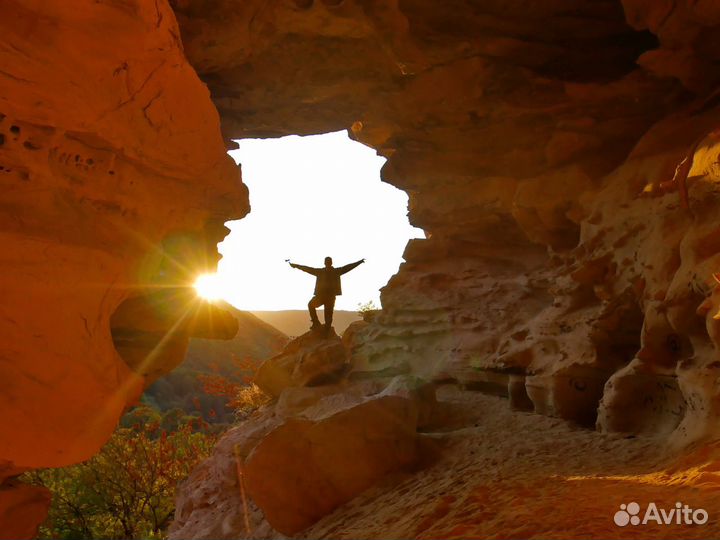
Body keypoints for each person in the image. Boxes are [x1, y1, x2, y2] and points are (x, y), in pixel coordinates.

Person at [288, 256, 365, 330]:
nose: (327, 263)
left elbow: (348, 267)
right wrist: (295, 265)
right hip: (325, 297)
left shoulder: (325, 271)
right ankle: (317, 324)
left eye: (328, 262)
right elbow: (307, 269)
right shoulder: (331, 271)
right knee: (318, 310)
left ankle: (320, 327)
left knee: (325, 315)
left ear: (328, 263)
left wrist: (359, 262)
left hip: (325, 297)